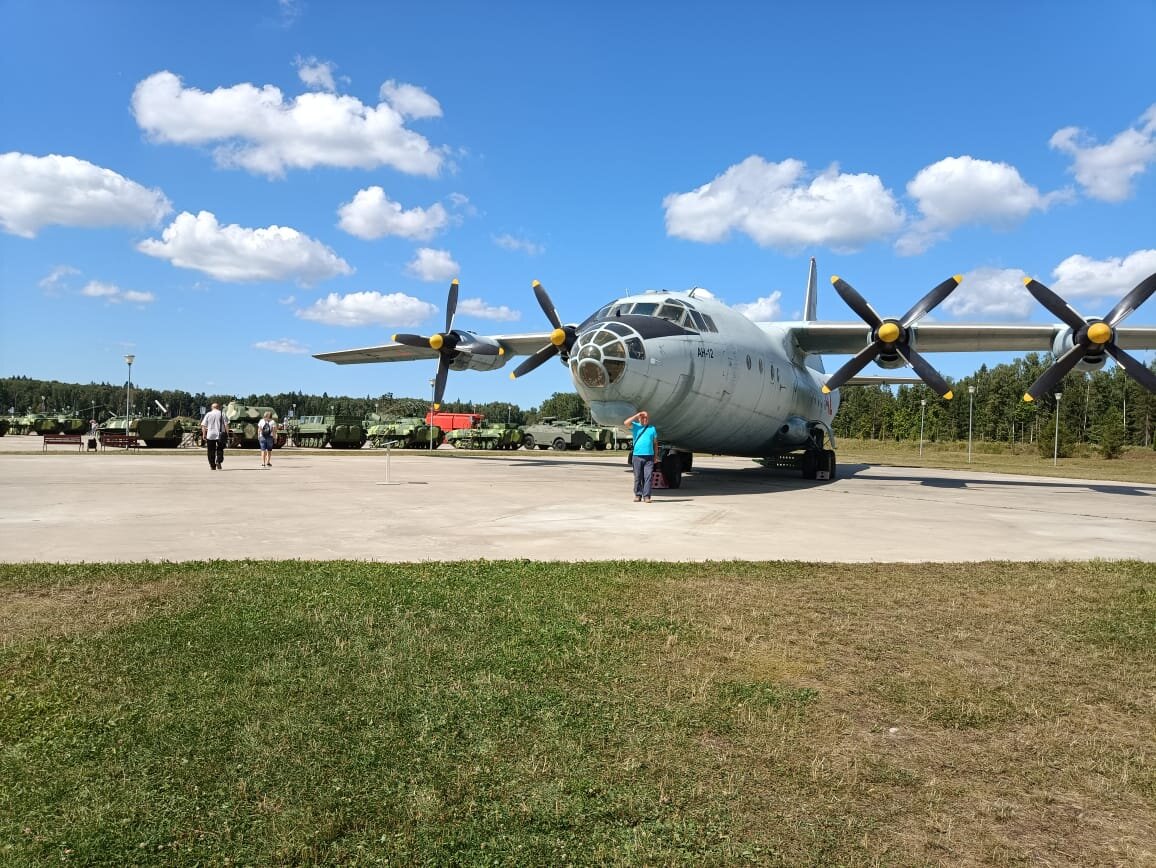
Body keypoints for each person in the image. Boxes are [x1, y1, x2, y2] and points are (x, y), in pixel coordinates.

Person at [624, 410, 658, 502]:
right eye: (643, 417)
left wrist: (656, 456)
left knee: (648, 477)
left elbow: (655, 444)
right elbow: (626, 423)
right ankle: (638, 495)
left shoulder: (652, 428)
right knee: (638, 477)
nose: (645, 419)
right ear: (639, 419)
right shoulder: (635, 426)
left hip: (649, 457)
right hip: (637, 456)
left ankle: (647, 496)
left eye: (646, 417)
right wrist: (637, 415)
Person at [201, 403, 228, 471]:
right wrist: (226, 434)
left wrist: (204, 434)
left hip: (210, 435)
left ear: (211, 407)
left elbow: (203, 425)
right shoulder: (222, 414)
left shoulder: (208, 414)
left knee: (210, 451)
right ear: (218, 407)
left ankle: (212, 465)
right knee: (220, 449)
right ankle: (218, 461)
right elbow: (226, 425)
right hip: (220, 435)